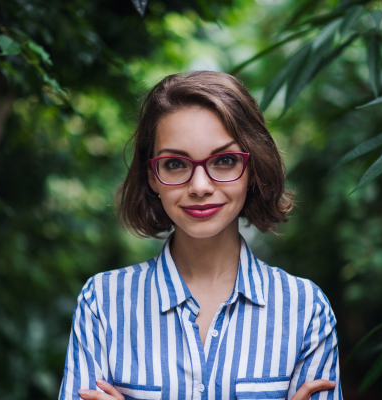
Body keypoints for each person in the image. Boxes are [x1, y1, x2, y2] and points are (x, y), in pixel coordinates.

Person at [58, 71, 342, 400]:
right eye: (175, 164)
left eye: (224, 160)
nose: (200, 187)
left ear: (252, 169)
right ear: (153, 176)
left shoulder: (305, 309)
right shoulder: (102, 304)